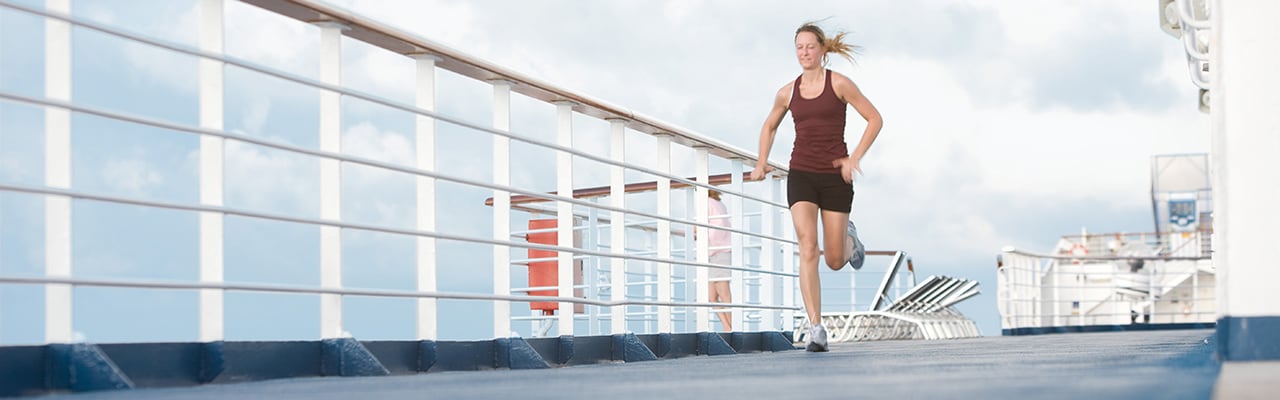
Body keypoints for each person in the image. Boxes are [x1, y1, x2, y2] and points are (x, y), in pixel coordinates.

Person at [749, 22, 881, 352]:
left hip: (836, 177)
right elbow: (769, 125)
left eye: (809, 46)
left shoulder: (839, 83)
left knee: (834, 260)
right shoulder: (787, 92)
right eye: (799, 47)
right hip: (802, 174)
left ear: (822, 50)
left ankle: (850, 240)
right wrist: (762, 161)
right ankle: (816, 328)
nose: (804, 52)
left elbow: (875, 118)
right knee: (808, 247)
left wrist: (854, 158)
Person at [704, 189, 734, 332]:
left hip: (718, 251)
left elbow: (716, 226)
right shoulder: (718, 203)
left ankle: (731, 328)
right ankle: (727, 326)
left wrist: (704, 237)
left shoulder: (708, 203)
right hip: (715, 252)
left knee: (723, 293)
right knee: (712, 296)